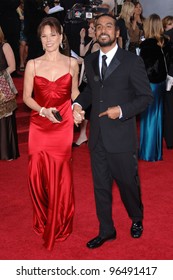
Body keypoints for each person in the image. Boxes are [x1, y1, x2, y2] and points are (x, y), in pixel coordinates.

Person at [73, 14, 153, 249]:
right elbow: (91, 91)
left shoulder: (131, 61)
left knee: (128, 184)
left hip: (121, 137)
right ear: (95, 33)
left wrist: (121, 110)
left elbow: (146, 97)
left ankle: (136, 217)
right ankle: (106, 229)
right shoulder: (90, 59)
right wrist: (77, 104)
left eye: (109, 26)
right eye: (99, 27)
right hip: (97, 138)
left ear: (117, 32)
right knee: (100, 187)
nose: (103, 30)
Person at [23, 16, 79, 250]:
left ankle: (61, 218)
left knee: (61, 173)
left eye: (52, 35)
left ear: (61, 36)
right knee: (36, 172)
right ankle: (44, 216)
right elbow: (27, 97)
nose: (48, 40)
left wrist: (78, 108)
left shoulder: (72, 64)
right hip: (39, 124)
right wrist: (43, 110)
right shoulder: (33, 64)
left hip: (63, 124)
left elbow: (74, 93)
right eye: (44, 36)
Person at [139, 14, 172, 161]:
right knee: (158, 115)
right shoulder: (167, 42)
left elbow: (145, 68)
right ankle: (156, 151)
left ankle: (148, 152)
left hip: (150, 83)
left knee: (148, 116)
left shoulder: (146, 45)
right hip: (162, 82)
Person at [73, 19, 100, 147]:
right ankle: (83, 135)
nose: (89, 30)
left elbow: (93, 63)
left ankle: (89, 136)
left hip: (91, 80)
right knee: (85, 108)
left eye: (91, 28)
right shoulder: (92, 42)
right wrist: (82, 39)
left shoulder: (97, 45)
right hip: (86, 78)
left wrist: (81, 61)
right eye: (89, 27)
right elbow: (83, 53)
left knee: (90, 109)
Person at [0, 26, 20, 161]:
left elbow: (12, 66)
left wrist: (0, 77)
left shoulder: (4, 45)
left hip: (3, 85)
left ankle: (6, 152)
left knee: (5, 120)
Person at [162, 15, 173, 149]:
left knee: (169, 109)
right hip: (169, 76)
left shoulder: (165, 37)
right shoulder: (166, 36)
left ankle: (170, 139)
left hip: (169, 75)